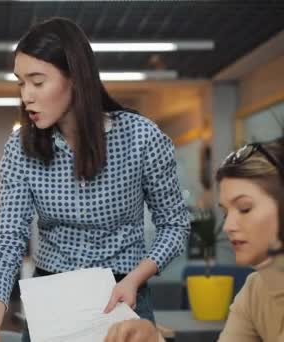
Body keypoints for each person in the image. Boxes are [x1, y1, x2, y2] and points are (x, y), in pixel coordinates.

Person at [0, 17, 190, 341]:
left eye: (38, 81)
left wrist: (135, 278)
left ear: (75, 78)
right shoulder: (21, 148)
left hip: (124, 295)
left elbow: (175, 225)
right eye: (21, 83)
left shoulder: (141, 138)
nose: (27, 96)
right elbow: (8, 241)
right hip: (51, 300)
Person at [105, 137, 284, 342]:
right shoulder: (256, 289)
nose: (228, 226)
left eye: (245, 208)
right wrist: (153, 339)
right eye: (226, 213)